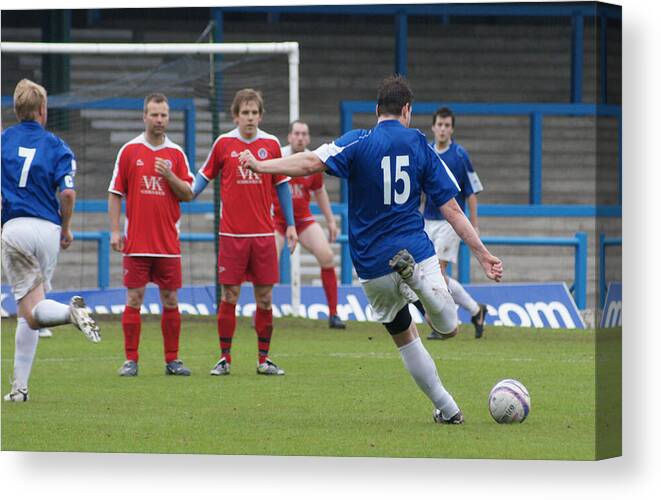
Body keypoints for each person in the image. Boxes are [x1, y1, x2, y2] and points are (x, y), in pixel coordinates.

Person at [239, 75, 503, 424]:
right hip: (415, 249)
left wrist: (261, 165)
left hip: (372, 264)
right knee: (448, 327)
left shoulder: (357, 142)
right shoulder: (420, 145)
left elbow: (307, 163)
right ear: (407, 110)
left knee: (405, 337)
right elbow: (452, 209)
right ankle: (421, 287)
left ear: (377, 110)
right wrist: (483, 253)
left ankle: (449, 409)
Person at [1, 79, 101, 402]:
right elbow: (68, 192)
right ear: (43, 110)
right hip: (48, 231)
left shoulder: (3, 141)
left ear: (17, 110)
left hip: (16, 227)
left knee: (30, 312)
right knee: (31, 308)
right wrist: (67, 227)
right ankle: (20, 388)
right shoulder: (58, 145)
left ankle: (70, 313)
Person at [192, 88, 297, 376]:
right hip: (232, 235)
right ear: (235, 115)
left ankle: (263, 360)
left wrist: (290, 225)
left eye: (254, 112)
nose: (250, 118)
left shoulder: (271, 144)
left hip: (263, 235)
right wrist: (185, 193)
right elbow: (202, 178)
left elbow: (282, 185)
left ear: (260, 115)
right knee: (230, 295)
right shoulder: (223, 144)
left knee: (265, 297)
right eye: (245, 112)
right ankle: (224, 358)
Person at [108, 93, 194, 377]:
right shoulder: (130, 151)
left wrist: (169, 176)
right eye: (154, 114)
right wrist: (115, 230)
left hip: (168, 243)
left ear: (169, 118)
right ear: (144, 116)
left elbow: (189, 194)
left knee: (171, 301)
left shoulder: (176, 154)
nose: (159, 120)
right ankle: (130, 360)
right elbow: (115, 193)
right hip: (137, 242)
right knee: (134, 300)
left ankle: (172, 360)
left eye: (164, 115)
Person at [424, 107, 488, 339]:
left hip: (450, 222)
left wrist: (473, 224)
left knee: (437, 273)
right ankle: (475, 309)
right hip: (427, 221)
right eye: (439, 125)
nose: (442, 129)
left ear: (452, 129)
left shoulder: (460, 155)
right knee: (429, 274)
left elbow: (471, 192)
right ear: (433, 127)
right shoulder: (427, 152)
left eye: (447, 125)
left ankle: (445, 324)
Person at [276, 120, 345, 329]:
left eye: (303, 134)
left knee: (327, 257)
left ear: (307, 138)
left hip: (303, 220)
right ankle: (262, 312)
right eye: (296, 133)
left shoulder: (313, 160)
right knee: (267, 263)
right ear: (289, 136)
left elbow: (319, 192)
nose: (300, 137)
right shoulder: (278, 156)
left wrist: (331, 220)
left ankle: (334, 314)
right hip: (277, 220)